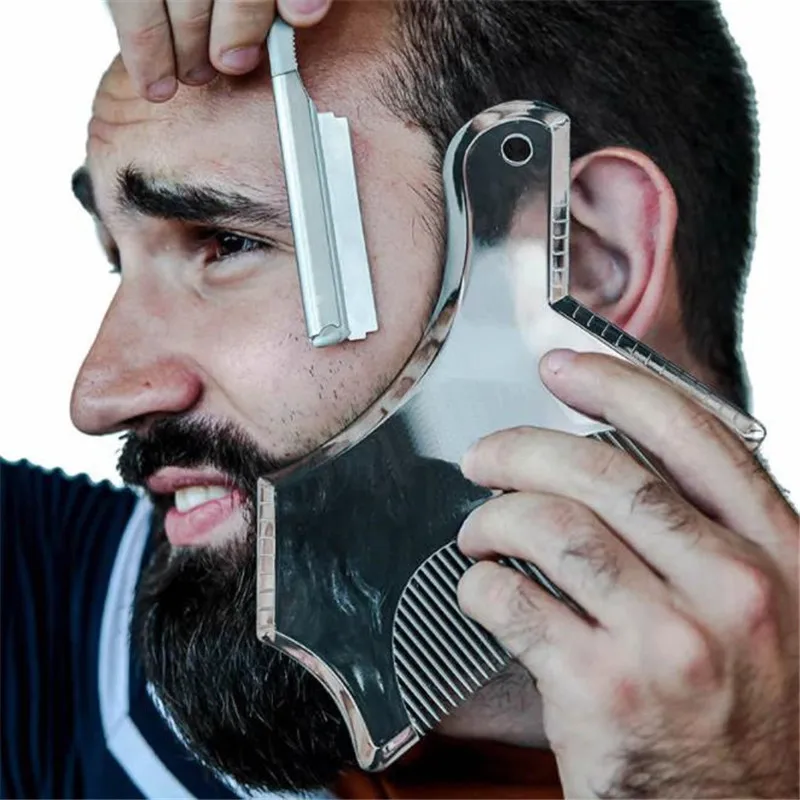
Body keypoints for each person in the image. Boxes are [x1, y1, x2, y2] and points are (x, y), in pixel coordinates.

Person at [2, 1, 798, 798]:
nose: (99, 395)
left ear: (577, 262)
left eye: (227, 242)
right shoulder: (55, 619)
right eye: (118, 260)